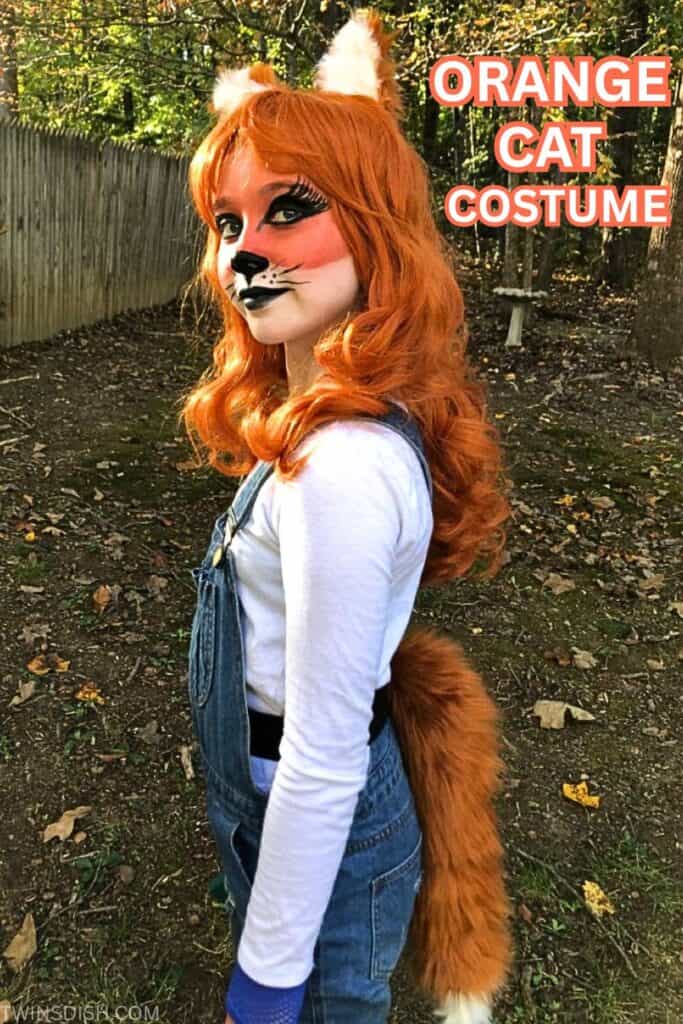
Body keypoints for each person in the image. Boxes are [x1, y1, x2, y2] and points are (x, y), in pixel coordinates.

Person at [180, 9, 513, 1024]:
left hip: (306, 802)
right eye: (229, 223)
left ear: (376, 224)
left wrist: (266, 980)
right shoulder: (325, 420)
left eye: (289, 208)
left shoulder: (340, 465)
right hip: (271, 793)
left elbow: (324, 755)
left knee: (331, 1002)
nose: (246, 253)